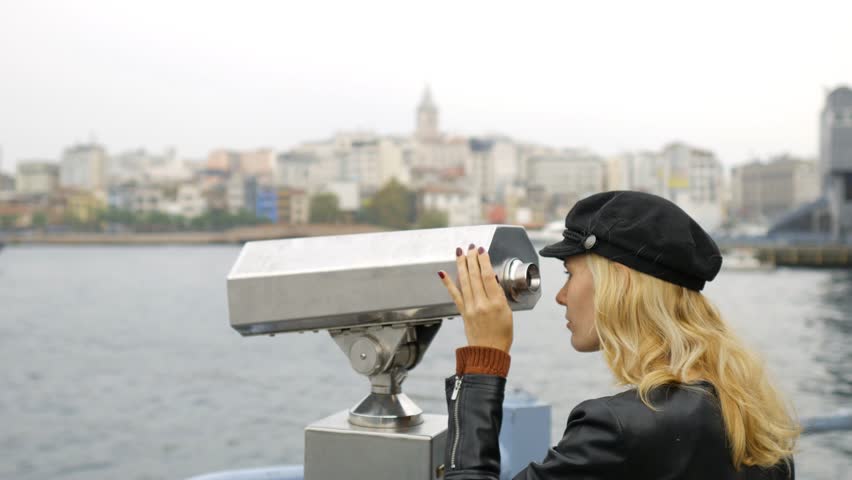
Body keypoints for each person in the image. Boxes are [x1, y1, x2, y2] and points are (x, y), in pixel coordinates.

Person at [436, 191, 799, 479]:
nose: (561, 296)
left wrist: (485, 360)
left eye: (570, 273)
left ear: (619, 282)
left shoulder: (616, 430)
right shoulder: (752, 415)